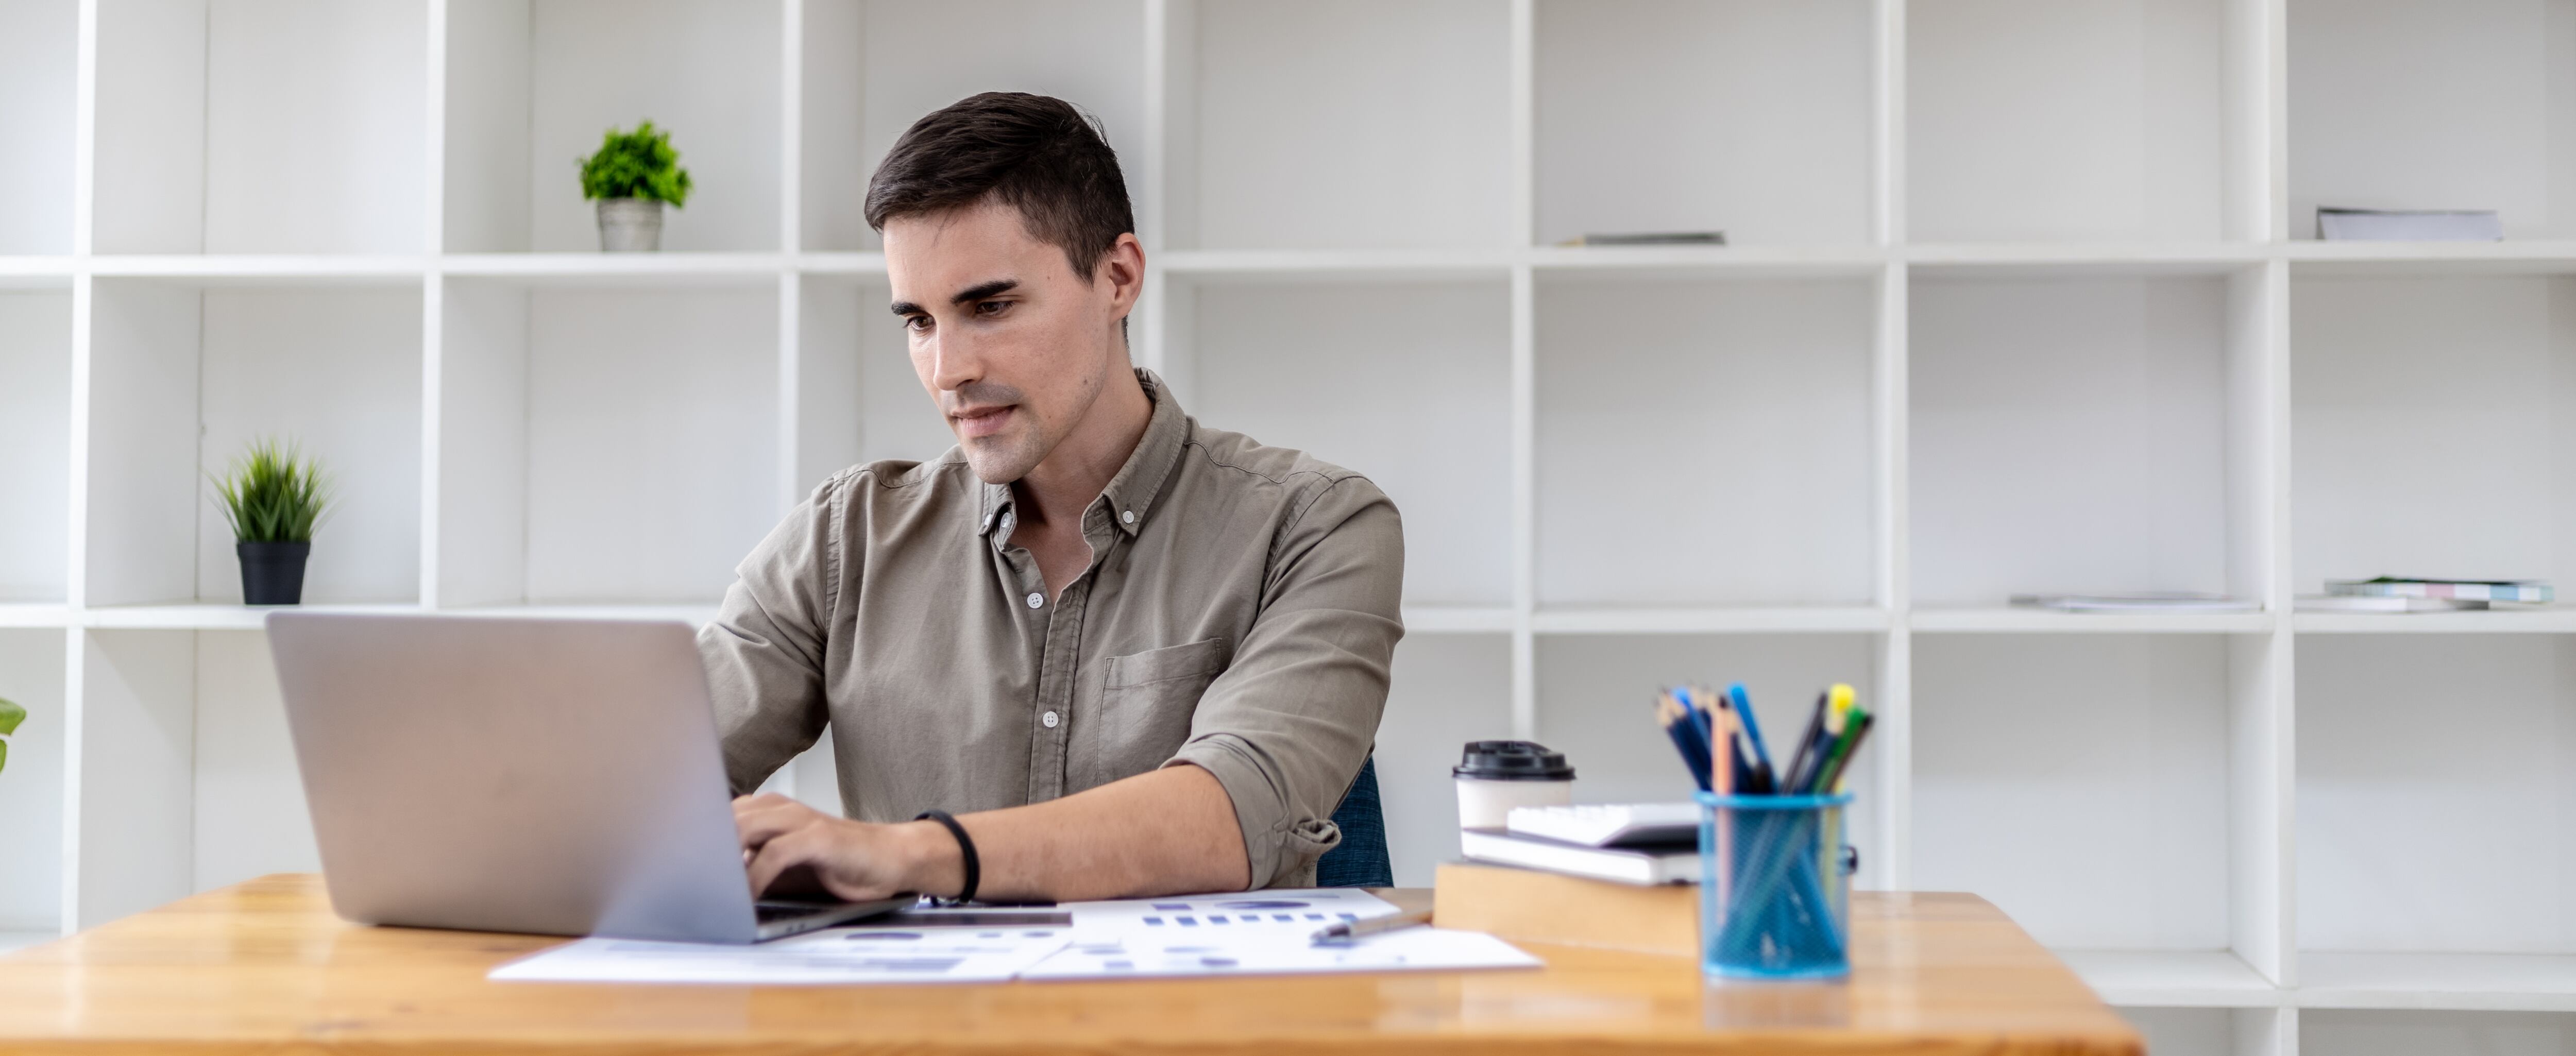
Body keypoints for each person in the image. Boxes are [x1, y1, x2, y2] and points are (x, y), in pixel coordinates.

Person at [702, 92, 1405, 904]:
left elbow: (1235, 813)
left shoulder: (1316, 527)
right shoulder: (845, 539)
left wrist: (908, 854)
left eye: (989, 306)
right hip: (925, 1026)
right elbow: (643, 788)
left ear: (1117, 277)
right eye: (919, 322)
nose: (947, 369)